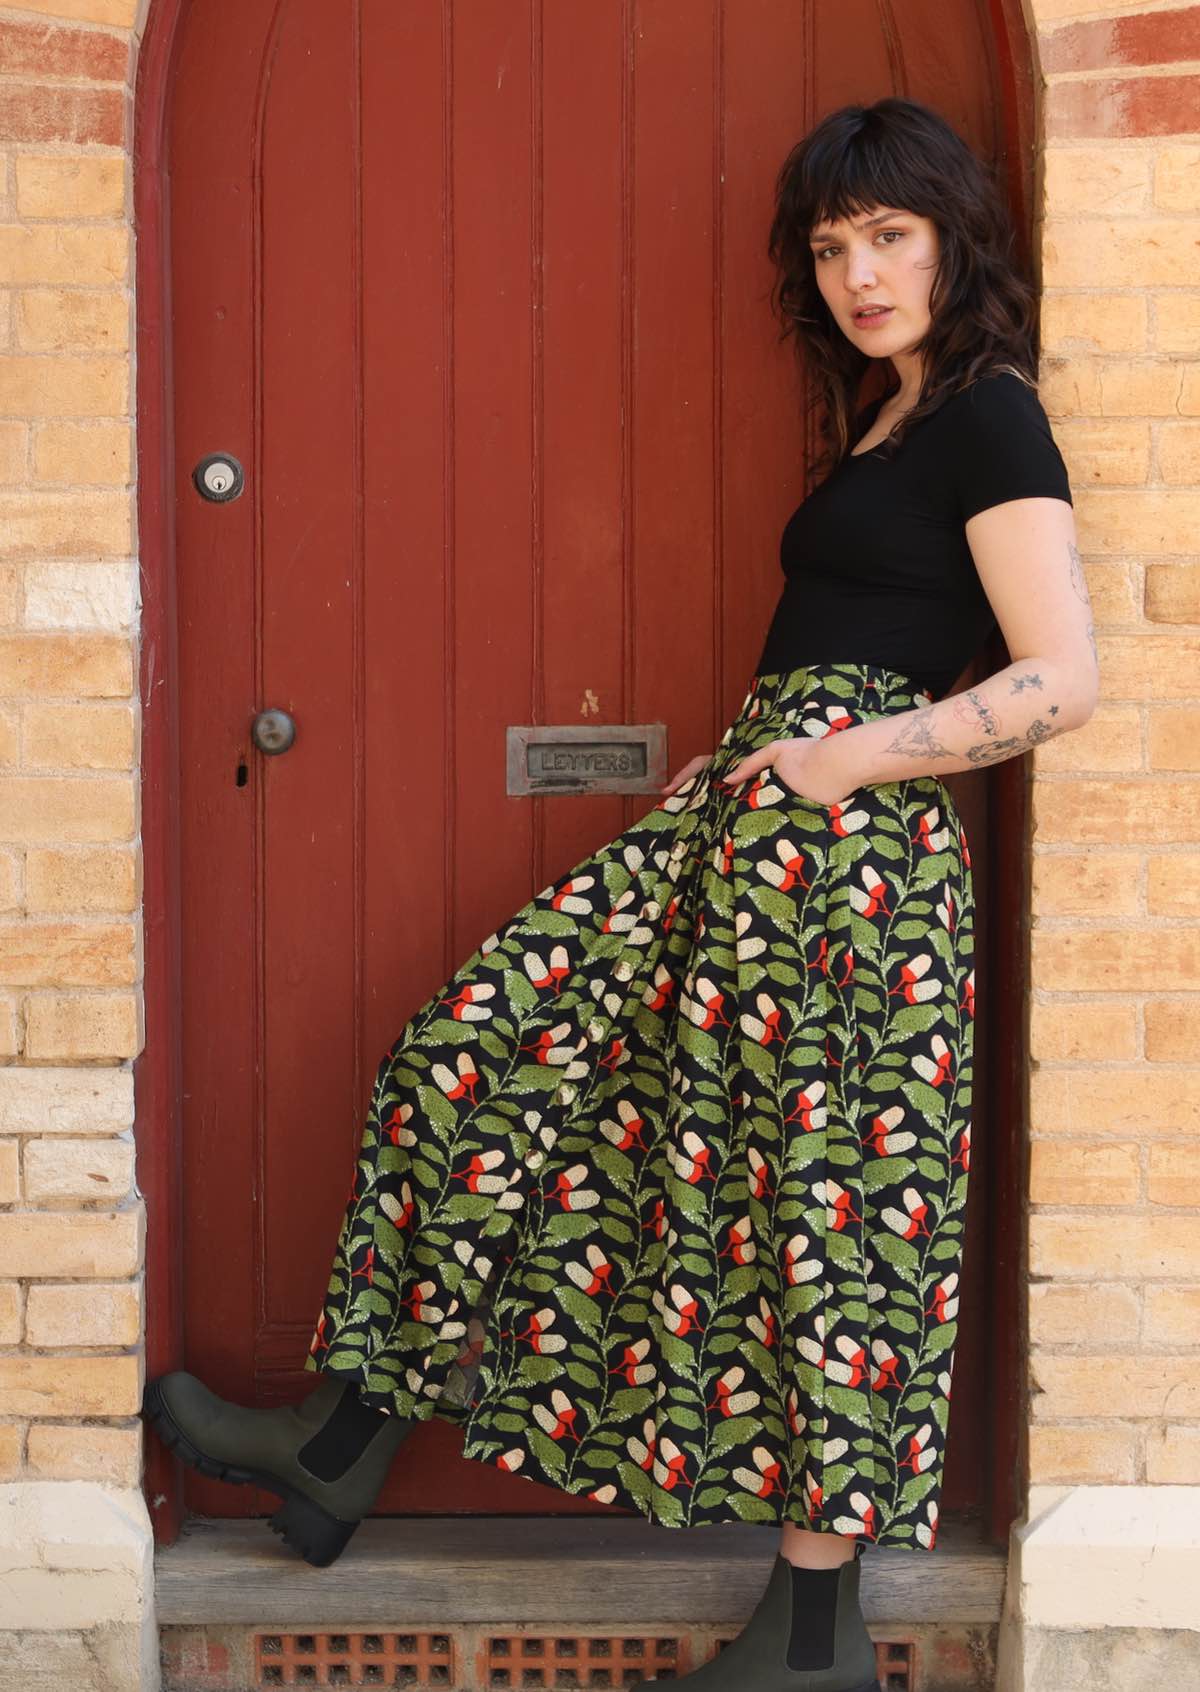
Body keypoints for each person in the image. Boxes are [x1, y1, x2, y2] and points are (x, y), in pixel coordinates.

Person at [142, 96, 1097, 1692]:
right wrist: (753, 769)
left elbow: (1060, 679)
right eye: (831, 245)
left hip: (850, 873)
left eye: (890, 236)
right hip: (752, 831)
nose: (859, 273)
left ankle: (811, 1639)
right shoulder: (896, 415)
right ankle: (342, 1433)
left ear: (955, 239)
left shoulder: (993, 416)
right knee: (478, 1054)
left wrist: (839, 763)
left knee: (827, 1217)